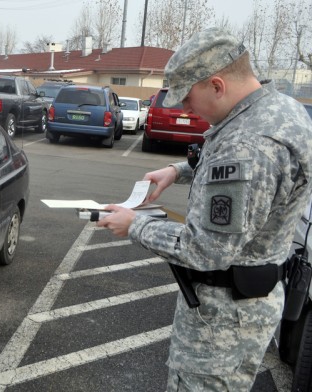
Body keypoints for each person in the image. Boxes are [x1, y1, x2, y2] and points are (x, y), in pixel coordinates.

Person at [98, 27, 312, 391]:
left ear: (217, 85)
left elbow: (204, 248)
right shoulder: (276, 111)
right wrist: (176, 171)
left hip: (222, 325)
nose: (182, 108)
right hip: (246, 306)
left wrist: (133, 224)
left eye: (186, 97)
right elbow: (258, 181)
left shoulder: (250, 143)